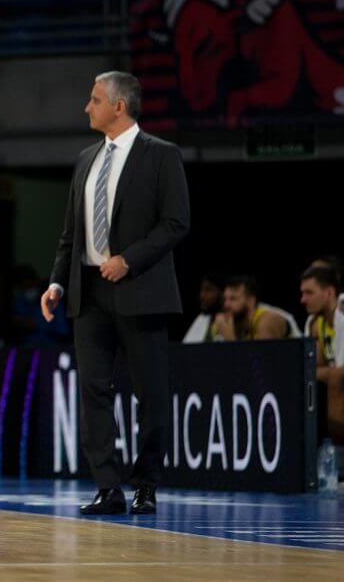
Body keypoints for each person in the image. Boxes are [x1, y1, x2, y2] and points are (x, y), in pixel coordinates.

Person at [43, 71, 190, 515]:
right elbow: (71, 233)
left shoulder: (161, 155)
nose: (87, 107)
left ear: (118, 106)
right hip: (88, 292)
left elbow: (176, 222)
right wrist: (57, 281)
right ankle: (108, 487)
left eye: (94, 100)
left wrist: (129, 259)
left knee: (151, 395)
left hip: (141, 291)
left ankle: (147, 483)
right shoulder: (86, 159)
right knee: (93, 391)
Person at [300, 265, 344, 440]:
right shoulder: (315, 322)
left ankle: (338, 445)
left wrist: (321, 372)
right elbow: (312, 367)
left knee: (336, 378)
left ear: (329, 292)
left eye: (309, 293)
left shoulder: (342, 310)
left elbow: (338, 372)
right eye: (302, 293)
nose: (303, 300)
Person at [211, 275, 300, 341]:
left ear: (251, 300)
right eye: (225, 299)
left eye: (233, 299)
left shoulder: (267, 320)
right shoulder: (229, 322)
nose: (226, 305)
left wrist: (229, 340)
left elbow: (265, 360)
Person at [182, 274, 224, 343]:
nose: (202, 295)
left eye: (208, 290)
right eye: (202, 290)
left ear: (222, 293)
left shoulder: (231, 322)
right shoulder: (201, 319)